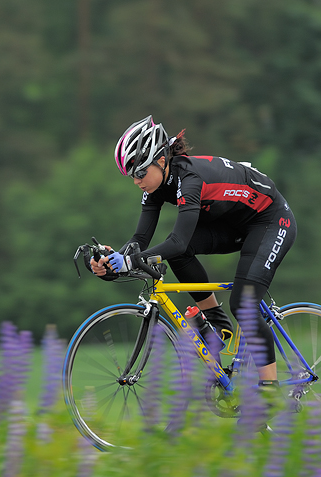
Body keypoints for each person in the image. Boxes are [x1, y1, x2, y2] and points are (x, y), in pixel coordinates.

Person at [91, 116, 297, 391]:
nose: (136, 182)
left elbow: (175, 241)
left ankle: (270, 391)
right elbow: (140, 241)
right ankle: (217, 324)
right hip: (232, 224)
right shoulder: (155, 185)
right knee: (178, 251)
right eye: (132, 175)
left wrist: (129, 261)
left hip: (270, 220)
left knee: (243, 304)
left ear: (161, 161)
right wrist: (111, 263)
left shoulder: (189, 179)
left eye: (140, 172)